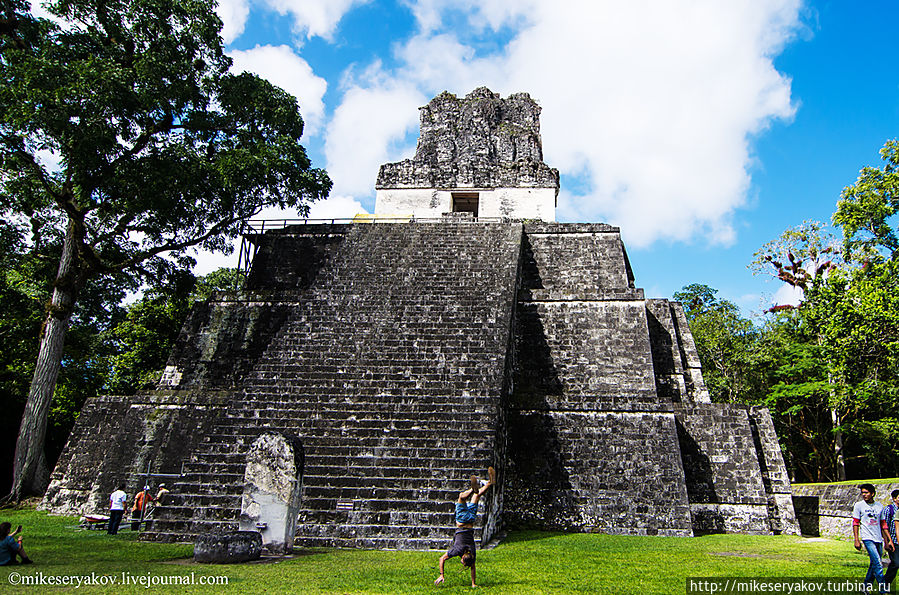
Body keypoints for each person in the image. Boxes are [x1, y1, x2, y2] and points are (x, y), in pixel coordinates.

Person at [435, 467, 495, 588]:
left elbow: (472, 566)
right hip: (461, 522)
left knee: (476, 497)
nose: (461, 562)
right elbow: (442, 559)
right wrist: (441, 574)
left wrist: (474, 583)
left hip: (470, 521)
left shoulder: (472, 552)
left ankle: (488, 484)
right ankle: (476, 488)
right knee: (462, 497)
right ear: (463, 557)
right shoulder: (457, 550)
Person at [852, 483, 895, 593]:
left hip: (878, 538)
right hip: (867, 537)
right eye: (862, 493)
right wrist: (856, 539)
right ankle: (884, 589)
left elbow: (883, 524)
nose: (864, 495)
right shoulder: (859, 505)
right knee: (878, 563)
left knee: (874, 564)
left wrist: (887, 540)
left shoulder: (879, 506)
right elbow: (856, 523)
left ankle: (865, 587)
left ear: (872, 494)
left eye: (866, 492)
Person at [884, 489, 899, 588]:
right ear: (894, 498)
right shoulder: (889, 509)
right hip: (893, 541)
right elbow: (884, 526)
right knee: (896, 563)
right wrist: (887, 541)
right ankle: (885, 583)